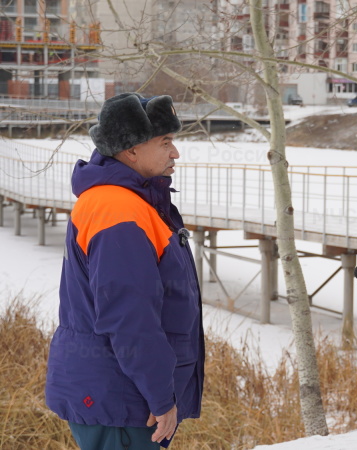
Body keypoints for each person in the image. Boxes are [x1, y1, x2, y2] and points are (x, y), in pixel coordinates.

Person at [45, 93, 205, 449]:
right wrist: (161, 397)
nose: (175, 153)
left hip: (118, 393)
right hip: (121, 398)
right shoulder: (118, 209)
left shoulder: (126, 201)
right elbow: (130, 317)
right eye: (166, 142)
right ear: (131, 150)